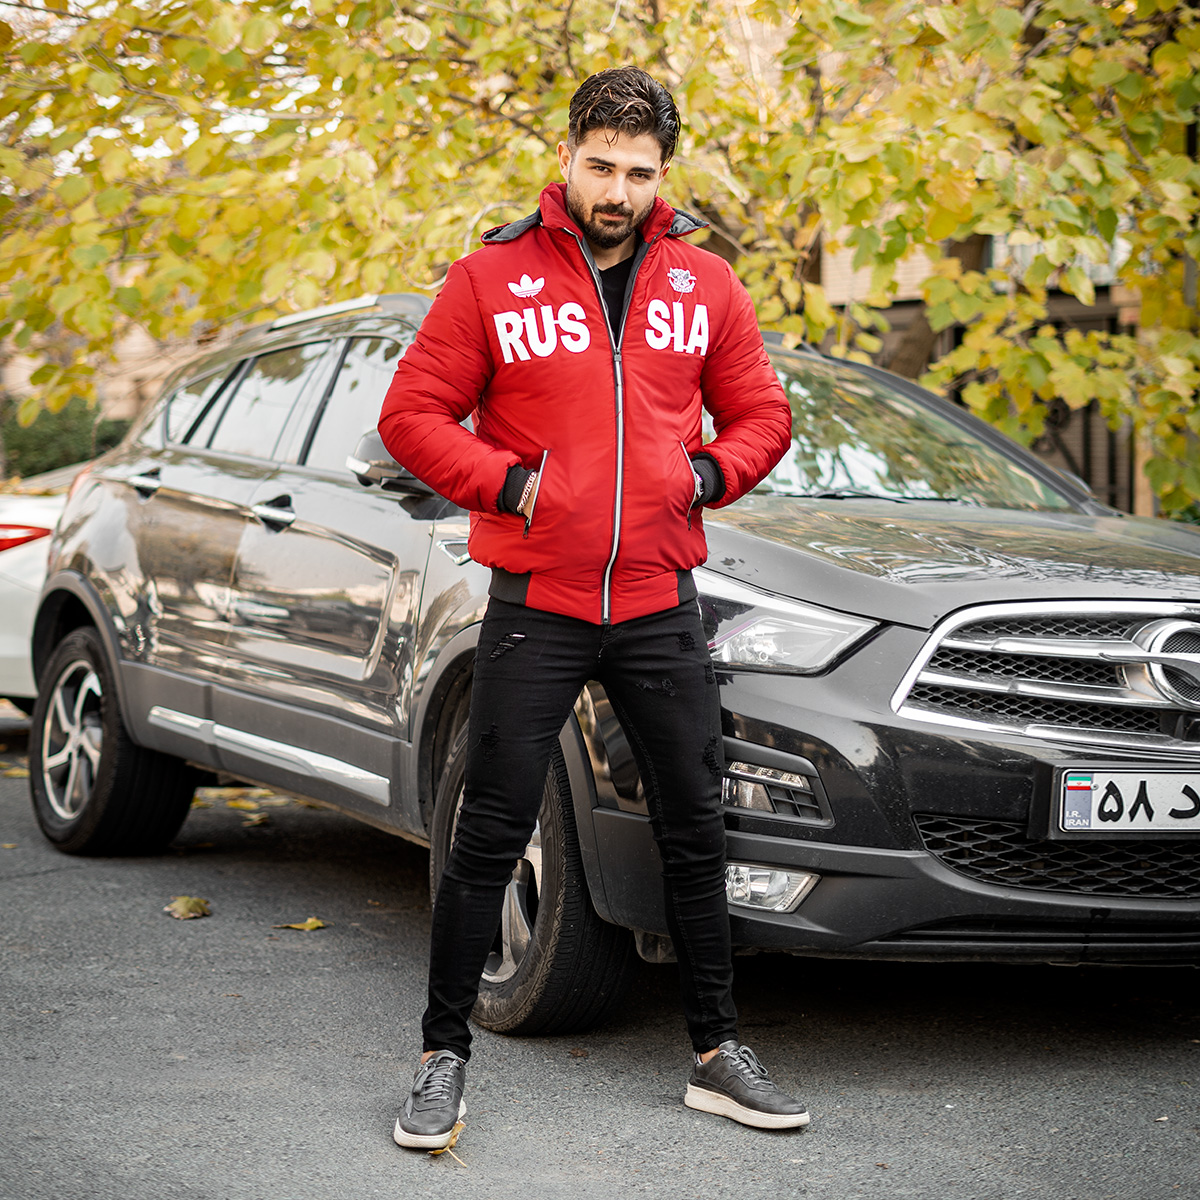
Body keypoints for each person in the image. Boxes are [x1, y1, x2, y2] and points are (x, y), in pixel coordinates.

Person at [378, 65, 805, 1150]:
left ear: (664, 174)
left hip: (660, 600)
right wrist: (513, 485)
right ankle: (441, 1057)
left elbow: (762, 414)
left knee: (695, 825)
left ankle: (717, 1053)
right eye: (601, 166)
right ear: (566, 156)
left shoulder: (706, 285)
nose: (617, 190)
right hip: (539, 601)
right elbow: (412, 415)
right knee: (489, 825)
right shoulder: (490, 278)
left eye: (639, 172)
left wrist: (705, 476)